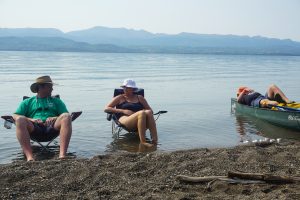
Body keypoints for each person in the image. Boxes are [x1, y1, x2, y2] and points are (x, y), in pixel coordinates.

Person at [13, 76, 72, 161]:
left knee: (66, 116)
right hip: (34, 128)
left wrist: (55, 117)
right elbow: (15, 115)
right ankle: (30, 157)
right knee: (20, 119)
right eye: (50, 87)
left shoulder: (56, 101)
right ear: (41, 87)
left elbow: (65, 114)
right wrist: (31, 120)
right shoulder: (27, 102)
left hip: (52, 127)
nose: (52, 89)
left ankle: (62, 155)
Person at [104, 79, 158, 147]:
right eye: (124, 87)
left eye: (128, 88)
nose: (125, 89)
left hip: (141, 119)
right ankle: (143, 142)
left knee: (149, 112)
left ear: (133, 89)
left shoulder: (140, 98)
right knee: (141, 113)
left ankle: (155, 140)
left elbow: (150, 110)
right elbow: (106, 108)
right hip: (125, 119)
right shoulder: (120, 97)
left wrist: (138, 113)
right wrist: (123, 111)